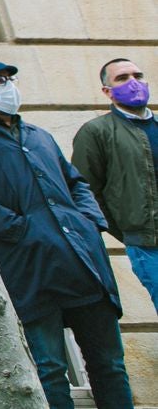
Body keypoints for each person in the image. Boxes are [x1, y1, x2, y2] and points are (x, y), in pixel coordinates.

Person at [0, 59, 134, 409]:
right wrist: (20, 229)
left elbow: (76, 182)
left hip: (81, 261)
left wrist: (89, 222)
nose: (9, 86)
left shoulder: (39, 136)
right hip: (30, 268)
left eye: (9, 79)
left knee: (110, 365)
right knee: (50, 369)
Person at [73, 58, 158, 313]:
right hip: (148, 246)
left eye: (137, 76)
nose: (133, 83)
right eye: (122, 78)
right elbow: (85, 191)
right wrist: (127, 230)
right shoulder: (95, 132)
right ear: (107, 91)